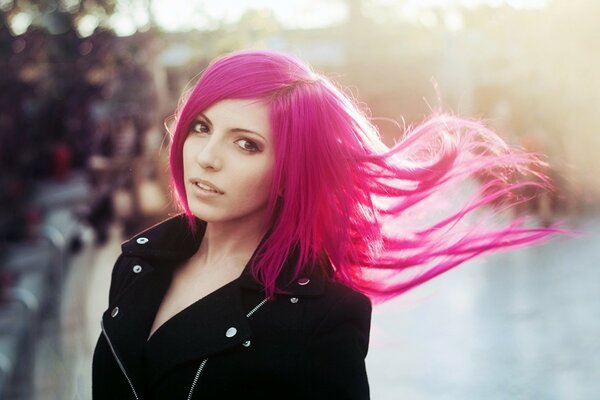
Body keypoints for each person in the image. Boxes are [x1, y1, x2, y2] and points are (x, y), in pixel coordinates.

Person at [92, 50, 557, 399]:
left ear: (289, 171)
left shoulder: (320, 319)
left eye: (247, 144)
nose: (208, 158)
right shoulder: (138, 267)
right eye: (202, 127)